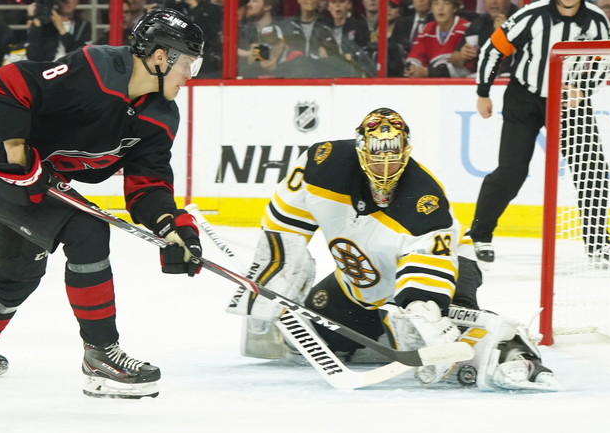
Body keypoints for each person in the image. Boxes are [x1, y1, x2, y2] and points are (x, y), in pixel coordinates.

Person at [0, 9, 205, 400]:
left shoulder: (160, 116)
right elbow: (4, 83)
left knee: (18, 271)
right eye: (189, 63)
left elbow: (149, 184)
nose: (190, 76)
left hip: (37, 181)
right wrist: (17, 153)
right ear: (161, 57)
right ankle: (101, 355)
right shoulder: (96, 70)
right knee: (87, 231)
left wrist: (171, 227)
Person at [230, 108, 559, 391]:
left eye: (394, 156)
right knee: (311, 338)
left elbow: (428, 269)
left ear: (406, 151)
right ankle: (384, 333)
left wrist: (422, 310)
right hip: (361, 286)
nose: (385, 167)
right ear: (362, 151)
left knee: (431, 328)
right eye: (377, 156)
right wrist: (276, 269)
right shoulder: (323, 164)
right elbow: (284, 223)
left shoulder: (425, 201)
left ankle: (514, 351)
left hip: (450, 269)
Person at [470, 0, 610, 268]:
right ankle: (479, 234)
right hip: (525, 99)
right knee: (511, 172)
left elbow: (606, 58)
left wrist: (584, 88)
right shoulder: (531, 16)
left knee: (592, 169)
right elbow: (493, 48)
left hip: (569, 102)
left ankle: (598, 242)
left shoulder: (597, 20)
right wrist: (483, 92)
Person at [404, 0, 471, 78]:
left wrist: (428, 72)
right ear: (431, 8)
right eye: (436, 4)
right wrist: (413, 69)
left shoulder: (467, 28)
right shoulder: (427, 29)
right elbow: (415, 56)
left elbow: (466, 70)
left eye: (446, 3)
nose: (440, 8)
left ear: (454, 8)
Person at [450, 0, 517, 75]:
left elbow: (528, 57)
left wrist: (506, 35)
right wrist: (462, 56)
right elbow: (454, 58)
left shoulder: (523, 19)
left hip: (513, 77)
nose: (493, 2)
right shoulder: (480, 21)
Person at [26, 0, 91, 62]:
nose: (67, 1)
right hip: (49, 68)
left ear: (78, 1)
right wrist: (36, 24)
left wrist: (62, 29)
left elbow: (80, 57)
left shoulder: (83, 25)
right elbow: (33, 56)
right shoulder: (47, 25)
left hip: (71, 69)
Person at [324, 0, 374, 77]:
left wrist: (353, 57)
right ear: (328, 6)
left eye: (342, 1)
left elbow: (366, 55)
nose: (338, 5)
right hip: (328, 75)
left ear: (349, 5)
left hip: (353, 76)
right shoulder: (323, 27)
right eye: (333, 2)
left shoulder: (359, 27)